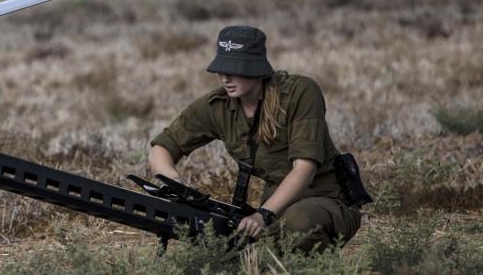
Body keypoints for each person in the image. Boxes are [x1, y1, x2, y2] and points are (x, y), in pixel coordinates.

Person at [148, 25, 363, 252]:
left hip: (327, 200)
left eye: (234, 69)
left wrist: (263, 215)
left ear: (256, 68)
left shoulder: (300, 93)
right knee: (234, 246)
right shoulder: (218, 105)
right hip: (275, 209)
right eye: (221, 69)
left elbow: (304, 169)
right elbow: (162, 148)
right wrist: (177, 185)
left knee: (297, 224)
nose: (225, 77)